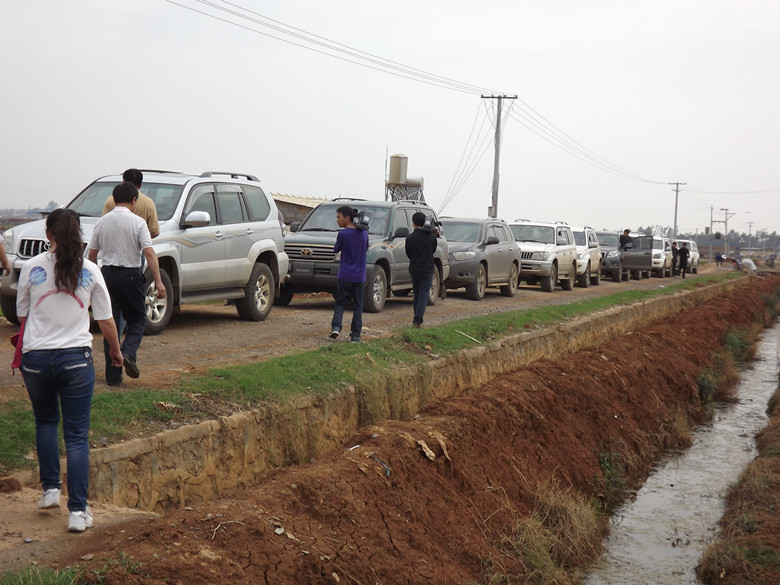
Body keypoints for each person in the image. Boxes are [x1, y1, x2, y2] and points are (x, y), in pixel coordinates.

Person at [17, 208, 123, 532]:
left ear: (48, 235)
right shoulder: (90, 271)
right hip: (76, 360)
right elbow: (105, 320)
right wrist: (116, 352)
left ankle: (50, 490)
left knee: (45, 421)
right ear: (79, 235)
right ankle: (78, 512)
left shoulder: (31, 268)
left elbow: (22, 316)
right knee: (77, 437)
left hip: (35, 360)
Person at [88, 182, 166, 385]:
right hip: (131, 276)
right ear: (134, 200)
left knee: (110, 323)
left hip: (108, 275)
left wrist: (93, 280)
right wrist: (158, 281)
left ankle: (113, 377)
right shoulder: (138, 223)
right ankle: (129, 353)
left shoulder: (102, 222)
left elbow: (92, 254)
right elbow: (149, 252)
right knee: (138, 320)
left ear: (113, 200)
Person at [329, 206, 368, 343]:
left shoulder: (343, 234)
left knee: (340, 302)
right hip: (359, 276)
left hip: (345, 274)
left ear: (347, 218)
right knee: (358, 305)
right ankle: (355, 336)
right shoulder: (364, 234)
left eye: (339, 217)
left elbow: (336, 249)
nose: (337, 220)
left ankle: (336, 327)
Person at [102, 169, 160, 238]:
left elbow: (103, 226)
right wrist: (142, 240)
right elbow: (155, 232)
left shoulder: (111, 200)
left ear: (123, 181)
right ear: (140, 185)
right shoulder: (148, 203)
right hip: (139, 247)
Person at [405, 212, 437, 328]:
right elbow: (433, 250)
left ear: (413, 223)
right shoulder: (432, 237)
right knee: (423, 295)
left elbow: (408, 253)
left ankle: (416, 317)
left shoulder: (410, 238)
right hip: (427, 268)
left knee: (417, 294)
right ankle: (418, 320)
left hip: (414, 268)